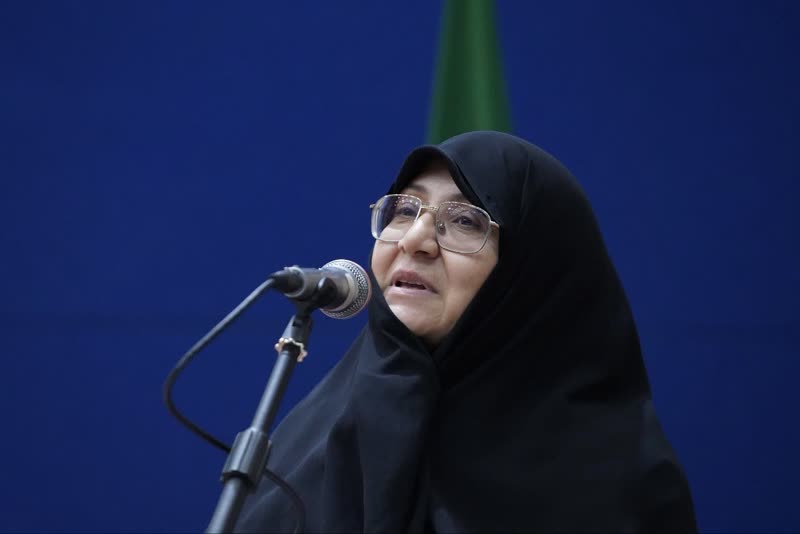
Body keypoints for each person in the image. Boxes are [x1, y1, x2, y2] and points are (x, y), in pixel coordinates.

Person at [236, 131, 697, 532]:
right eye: (404, 209)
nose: (414, 240)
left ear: (530, 274)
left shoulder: (619, 481)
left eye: (463, 220)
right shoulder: (314, 435)